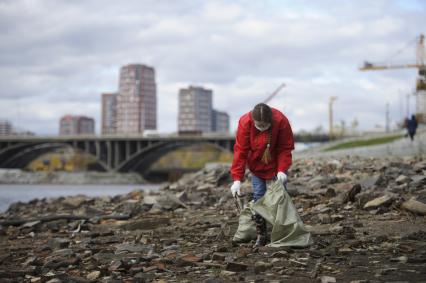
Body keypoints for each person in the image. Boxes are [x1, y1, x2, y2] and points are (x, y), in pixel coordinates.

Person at [230, 103, 295, 247]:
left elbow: (285, 148)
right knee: (259, 197)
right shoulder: (245, 122)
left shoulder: (281, 121)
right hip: (257, 166)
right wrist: (237, 179)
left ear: (270, 121)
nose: (261, 128)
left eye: (265, 125)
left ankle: (283, 232)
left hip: (277, 165)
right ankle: (262, 234)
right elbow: (240, 151)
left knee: (280, 198)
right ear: (253, 121)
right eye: (259, 125)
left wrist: (282, 169)